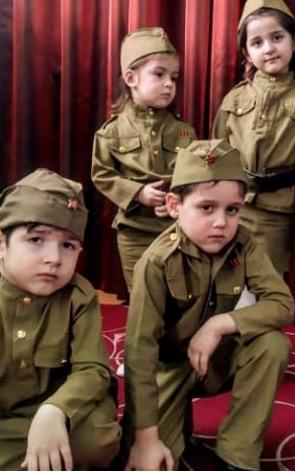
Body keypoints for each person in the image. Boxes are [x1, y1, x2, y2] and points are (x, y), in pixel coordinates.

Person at [121, 139, 294, 471]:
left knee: (272, 345)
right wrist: (145, 437)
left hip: (215, 358)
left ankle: (237, 454)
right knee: (148, 459)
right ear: (174, 205)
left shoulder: (244, 244)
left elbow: (282, 304)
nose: (221, 222)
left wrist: (218, 325)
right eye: (206, 208)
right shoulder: (156, 262)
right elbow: (139, 351)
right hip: (169, 369)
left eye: (232, 209)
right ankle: (173, 423)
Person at [0, 169, 120, 470]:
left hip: (64, 411)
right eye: (36, 239)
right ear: (2, 244)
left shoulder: (79, 295)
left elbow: (93, 370)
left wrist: (55, 410)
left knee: (96, 441)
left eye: (68, 245)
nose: (54, 258)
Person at [212, 0, 295, 275]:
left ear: (294, 42)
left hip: (277, 211)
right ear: (247, 53)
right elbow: (215, 153)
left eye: (277, 38)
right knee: (228, 276)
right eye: (257, 42)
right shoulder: (234, 98)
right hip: (233, 206)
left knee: (266, 278)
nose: (269, 48)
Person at [92, 27, 196, 291]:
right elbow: (102, 174)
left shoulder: (184, 131)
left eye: (174, 77)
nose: (169, 83)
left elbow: (196, 177)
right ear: (131, 78)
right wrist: (137, 193)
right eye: (159, 74)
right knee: (141, 293)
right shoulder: (111, 132)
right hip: (134, 230)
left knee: (176, 292)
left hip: (176, 228)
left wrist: (177, 199)